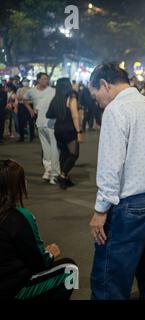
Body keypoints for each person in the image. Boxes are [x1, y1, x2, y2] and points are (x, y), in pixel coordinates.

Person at [88, 63, 145, 300]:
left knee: (110, 284)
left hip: (130, 206)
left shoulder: (116, 110)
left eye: (95, 94)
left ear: (105, 85)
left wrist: (100, 210)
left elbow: (111, 165)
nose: (96, 100)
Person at [0, 159, 77, 300]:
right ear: (17, 185)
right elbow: (39, 264)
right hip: (12, 290)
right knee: (70, 270)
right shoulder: (20, 217)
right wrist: (50, 254)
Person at [46, 78, 83, 190]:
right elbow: (75, 115)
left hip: (58, 129)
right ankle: (63, 176)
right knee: (74, 154)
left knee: (64, 153)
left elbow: (49, 114)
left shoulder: (56, 99)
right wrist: (79, 132)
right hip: (69, 129)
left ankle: (65, 178)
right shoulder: (71, 97)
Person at [24, 73, 60, 184]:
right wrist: (30, 110)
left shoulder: (51, 90)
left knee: (48, 149)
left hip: (47, 122)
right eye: (44, 78)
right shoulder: (32, 91)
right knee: (51, 149)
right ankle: (52, 173)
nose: (46, 80)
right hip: (43, 123)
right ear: (38, 80)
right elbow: (25, 99)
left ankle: (49, 172)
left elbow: (39, 107)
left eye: (47, 78)